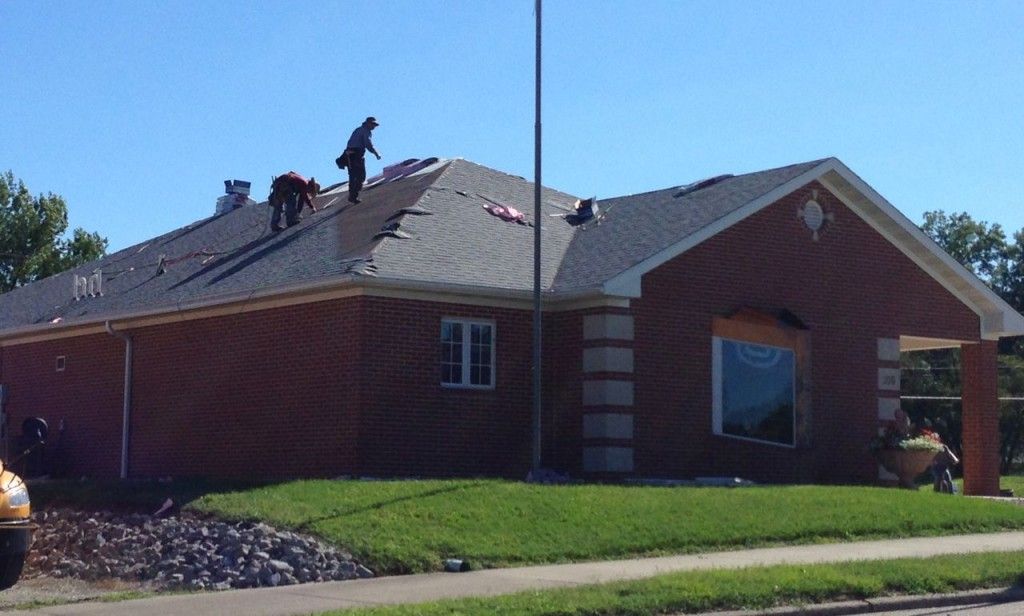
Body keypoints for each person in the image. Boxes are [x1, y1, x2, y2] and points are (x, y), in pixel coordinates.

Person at [343, 116, 382, 204]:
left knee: (354, 176)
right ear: (368, 123)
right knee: (360, 176)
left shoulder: (358, 129)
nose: (374, 127)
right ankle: (353, 196)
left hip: (351, 155)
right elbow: (368, 144)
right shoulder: (365, 131)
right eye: (373, 125)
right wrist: (376, 154)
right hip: (355, 155)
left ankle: (352, 196)